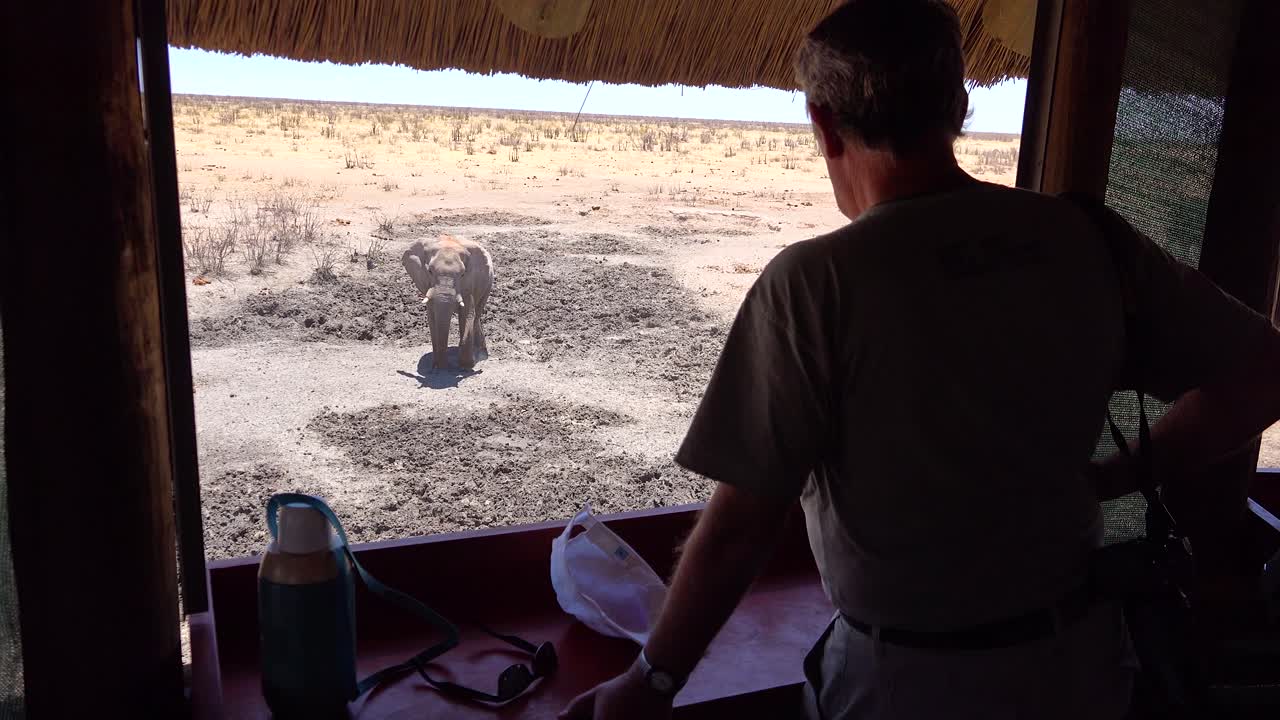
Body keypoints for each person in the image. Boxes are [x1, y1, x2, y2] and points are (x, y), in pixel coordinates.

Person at [560, 1, 1280, 718]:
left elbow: (741, 528)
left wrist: (651, 682)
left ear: (822, 125)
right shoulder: (1086, 237)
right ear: (960, 107)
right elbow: (1261, 376)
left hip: (904, 683)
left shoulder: (816, 282)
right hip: (1081, 667)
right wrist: (1115, 478)